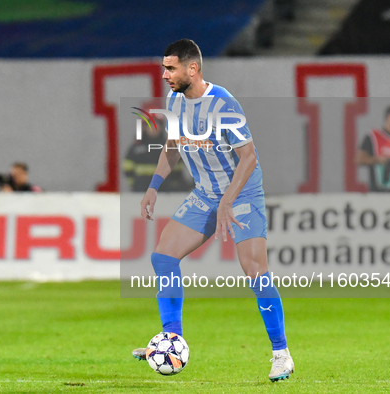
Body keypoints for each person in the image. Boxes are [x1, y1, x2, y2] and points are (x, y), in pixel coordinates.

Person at [130, 39, 294, 381]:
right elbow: (172, 148)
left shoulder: (224, 104)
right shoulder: (174, 100)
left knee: (254, 269)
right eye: (164, 68)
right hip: (206, 193)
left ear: (193, 69)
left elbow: (248, 158)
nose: (164, 75)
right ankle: (171, 340)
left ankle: (281, 354)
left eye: (170, 68)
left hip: (242, 193)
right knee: (163, 257)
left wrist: (228, 200)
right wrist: (153, 187)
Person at [123, 102, 194, 192]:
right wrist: (137, 184)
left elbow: (179, 170)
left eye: (157, 124)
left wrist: (175, 184)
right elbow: (128, 169)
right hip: (142, 193)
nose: (154, 128)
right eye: (150, 125)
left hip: (168, 195)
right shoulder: (136, 149)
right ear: (144, 127)